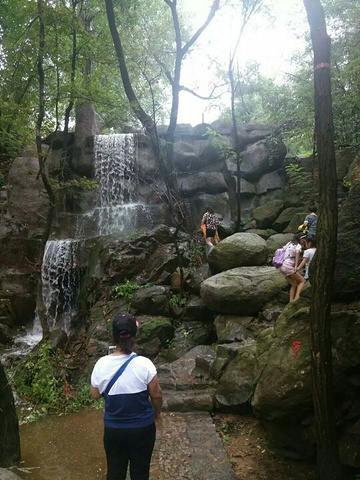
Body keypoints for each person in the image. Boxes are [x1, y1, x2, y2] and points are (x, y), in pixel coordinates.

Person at [90, 312, 162, 480]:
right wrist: (157, 414)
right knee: (140, 473)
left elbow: (94, 394)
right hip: (143, 429)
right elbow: (156, 394)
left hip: (114, 430)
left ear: (113, 337)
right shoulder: (145, 364)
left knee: (115, 473)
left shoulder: (101, 364)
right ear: (135, 337)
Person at [279, 233, 306, 302]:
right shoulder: (298, 246)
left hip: (281, 266)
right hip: (287, 266)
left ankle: (290, 301)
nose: (305, 240)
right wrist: (296, 266)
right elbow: (297, 253)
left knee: (293, 284)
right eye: (304, 239)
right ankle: (297, 298)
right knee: (302, 281)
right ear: (300, 239)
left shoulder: (289, 243)